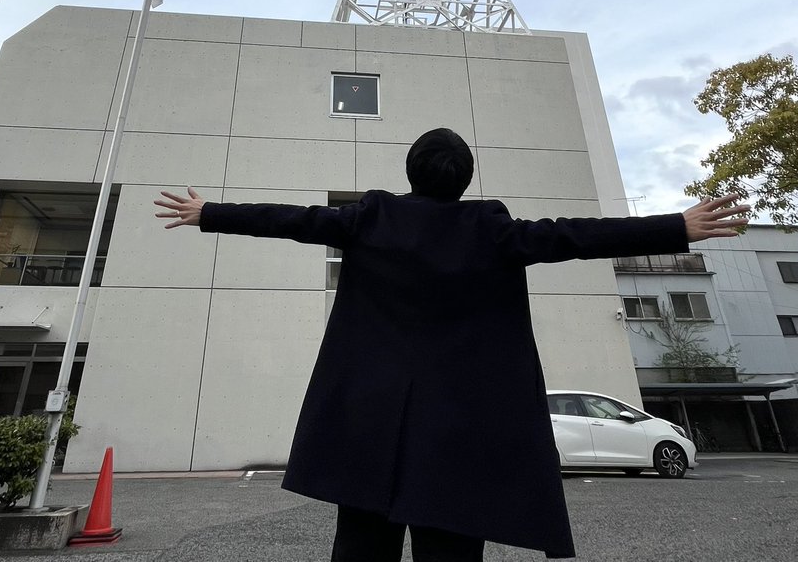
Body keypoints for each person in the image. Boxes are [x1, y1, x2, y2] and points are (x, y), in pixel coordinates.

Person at [156, 127, 748, 560]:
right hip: (460, 429)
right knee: (452, 544)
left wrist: (209, 212)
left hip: (368, 419)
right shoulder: (492, 229)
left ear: (411, 172)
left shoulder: (371, 217)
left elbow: (293, 220)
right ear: (464, 180)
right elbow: (578, 235)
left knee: (362, 543)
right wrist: (677, 225)